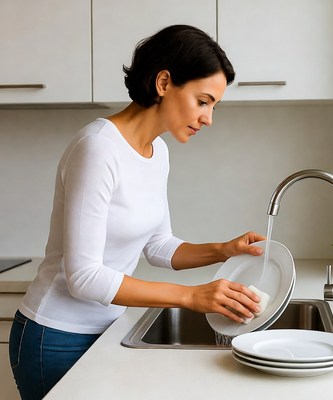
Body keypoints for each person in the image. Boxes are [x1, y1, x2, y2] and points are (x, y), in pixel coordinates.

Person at [9, 25, 265, 399]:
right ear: (164, 82)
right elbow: (84, 276)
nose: (209, 118)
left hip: (109, 329)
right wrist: (190, 297)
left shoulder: (157, 152)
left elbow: (158, 246)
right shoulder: (98, 147)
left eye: (214, 106)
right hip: (55, 337)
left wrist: (224, 249)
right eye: (203, 101)